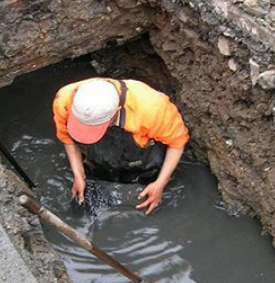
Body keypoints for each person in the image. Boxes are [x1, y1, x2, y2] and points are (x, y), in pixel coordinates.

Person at [53, 77, 189, 215]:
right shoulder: (65, 99)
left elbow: (177, 143)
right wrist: (79, 175)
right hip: (101, 157)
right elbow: (67, 138)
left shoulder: (152, 109)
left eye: (93, 128)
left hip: (142, 155)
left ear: (117, 110)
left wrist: (160, 183)